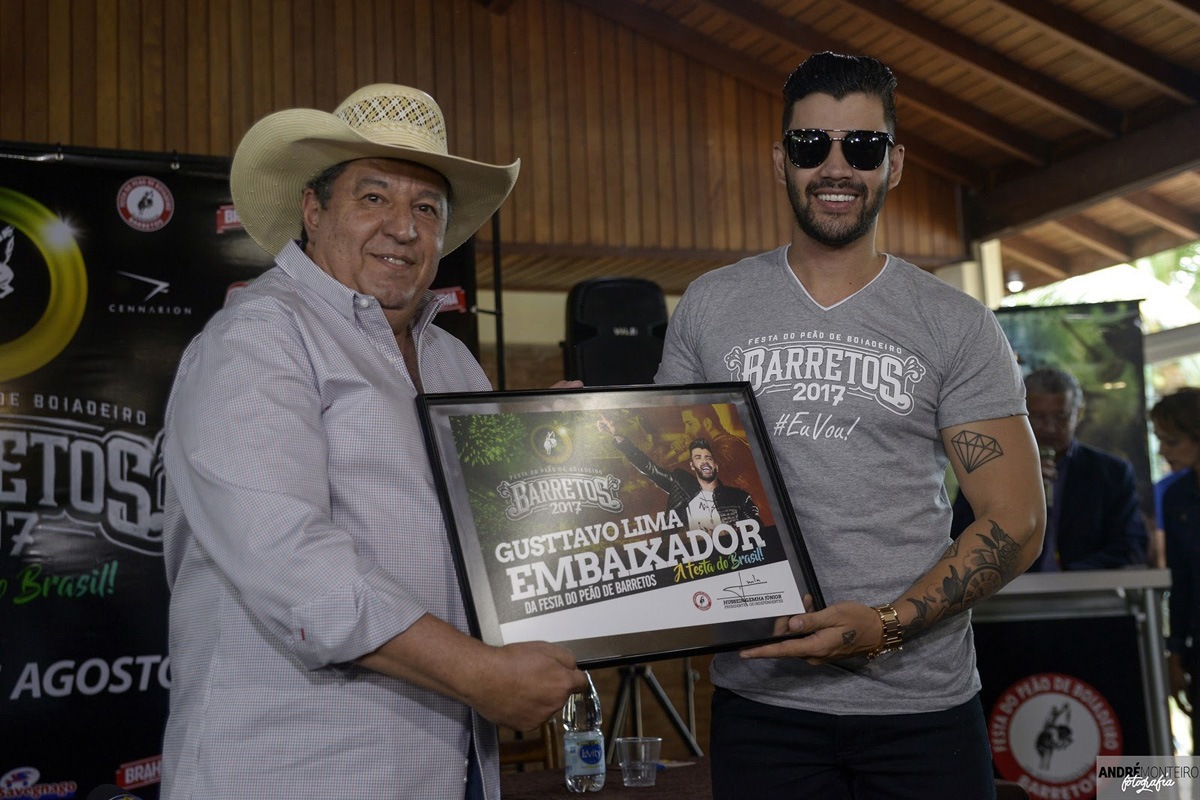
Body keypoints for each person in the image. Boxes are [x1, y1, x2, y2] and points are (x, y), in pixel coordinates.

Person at [160, 84, 586, 799]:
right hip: (296, 772)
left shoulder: (452, 360)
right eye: (373, 197)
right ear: (313, 209)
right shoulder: (259, 338)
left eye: (426, 208)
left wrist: (566, 452)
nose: (403, 227)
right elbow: (293, 563)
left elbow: (495, 532)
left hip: (446, 767)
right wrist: (480, 675)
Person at [654, 52, 1045, 798]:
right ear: (781, 160)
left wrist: (890, 626)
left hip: (920, 708)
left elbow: (1017, 520)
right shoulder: (709, 305)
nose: (836, 167)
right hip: (761, 701)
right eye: (811, 146)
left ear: (894, 164)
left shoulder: (955, 324)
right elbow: (672, 483)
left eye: (861, 147)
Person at [951, 367, 1149, 570]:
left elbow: (1131, 546)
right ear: (1019, 416)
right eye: (1038, 417)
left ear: (1078, 414)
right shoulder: (987, 472)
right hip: (1009, 595)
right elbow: (958, 540)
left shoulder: (1112, 473)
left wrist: (1070, 580)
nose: (1049, 428)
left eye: (1061, 417)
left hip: (1088, 595)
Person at [597, 414, 760, 533]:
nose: (704, 462)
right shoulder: (686, 487)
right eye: (697, 458)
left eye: (708, 458)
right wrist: (619, 437)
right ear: (691, 465)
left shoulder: (730, 449)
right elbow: (650, 469)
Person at [1150, 388, 1200, 744]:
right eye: (1160, 440)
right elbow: (1180, 581)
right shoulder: (1176, 495)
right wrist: (1175, 653)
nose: (1163, 451)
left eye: (1171, 441)